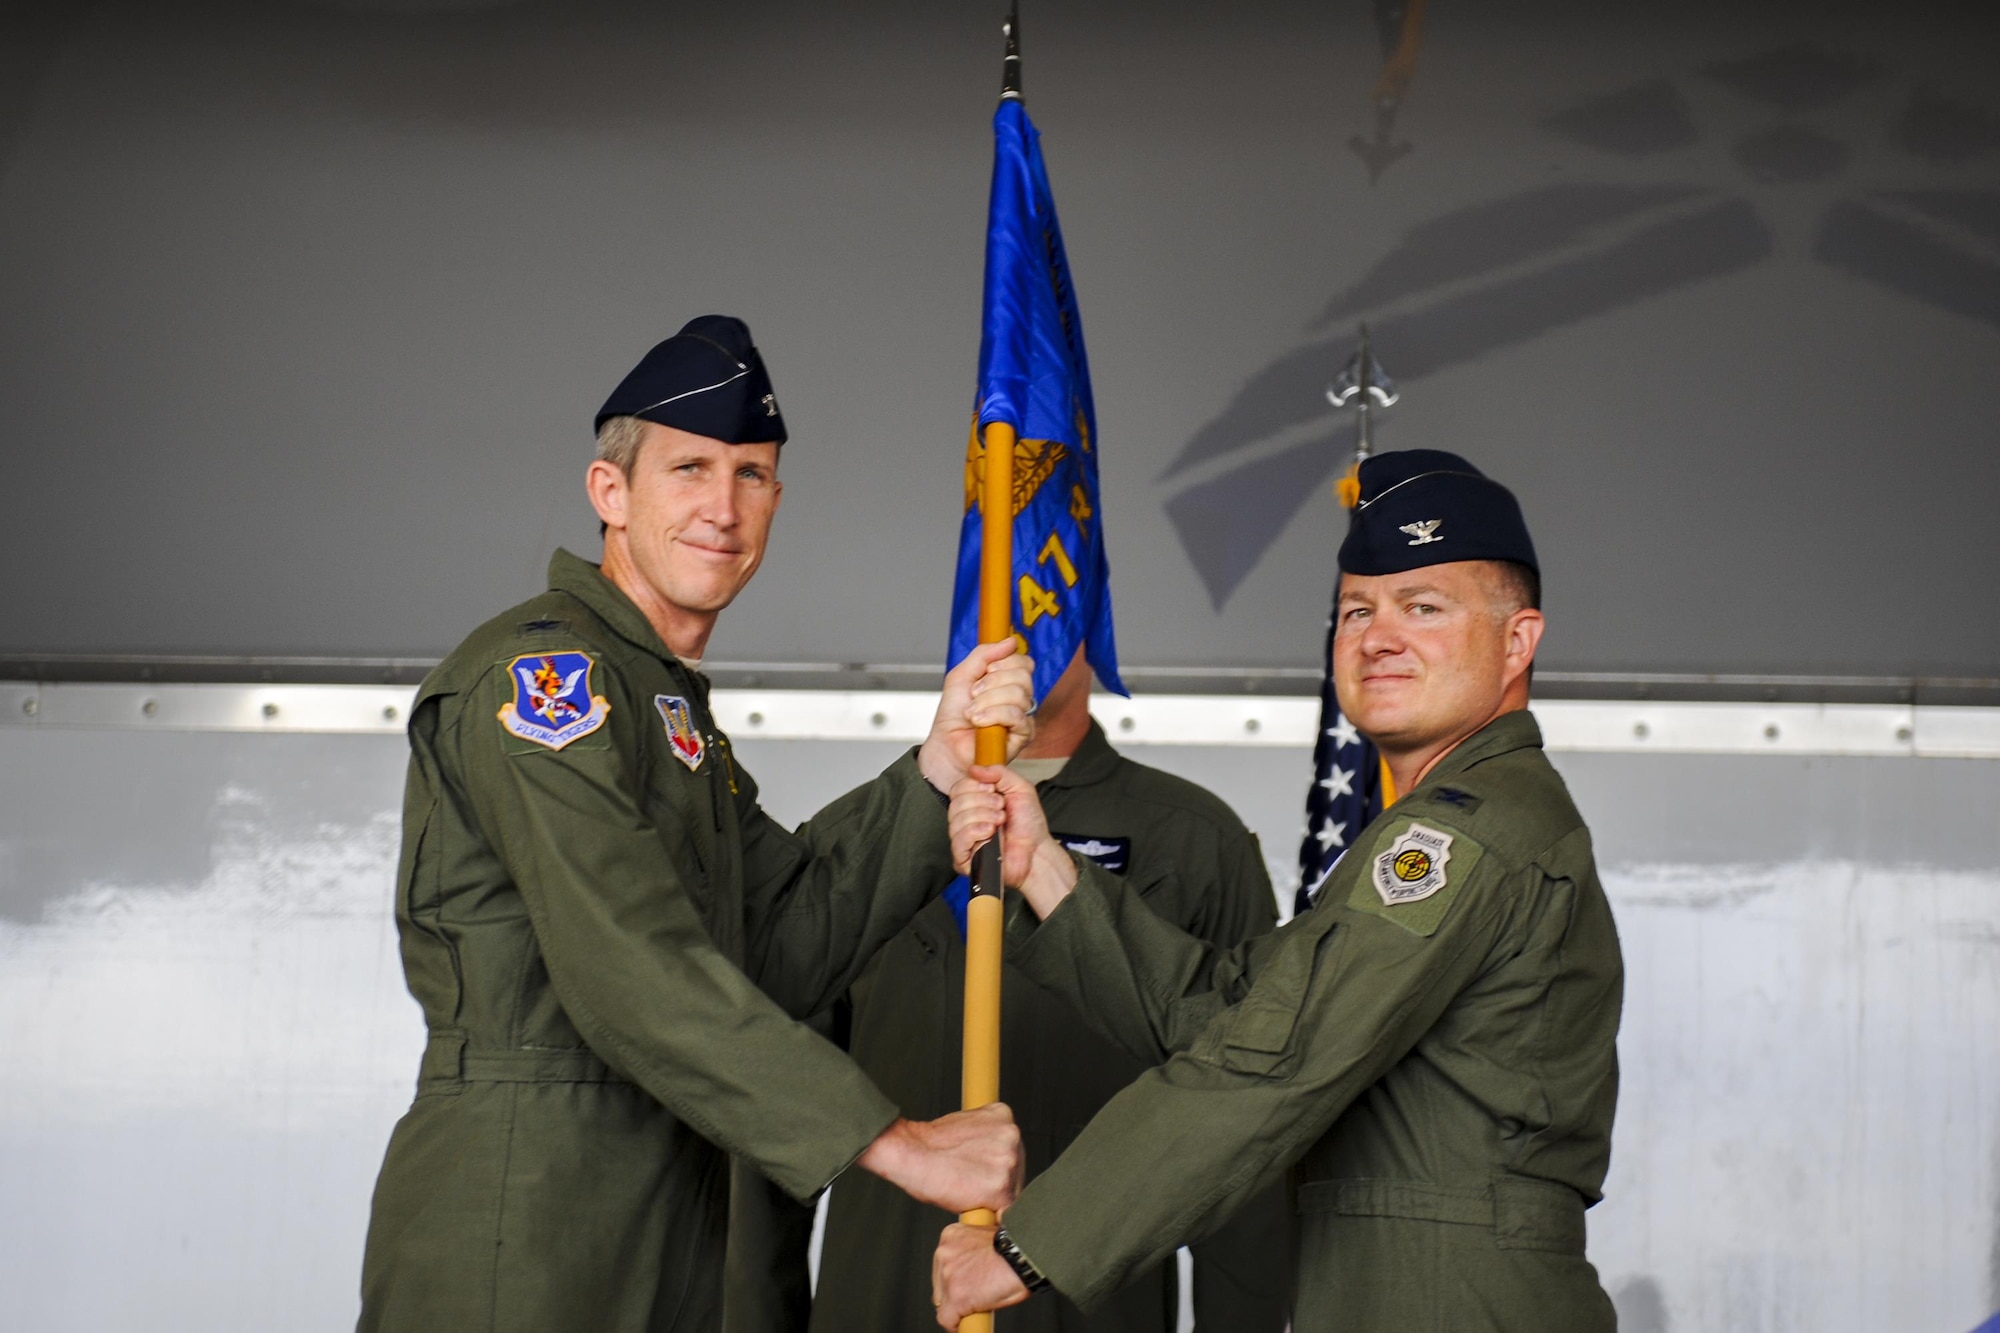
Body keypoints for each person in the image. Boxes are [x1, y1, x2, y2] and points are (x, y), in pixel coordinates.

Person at [357, 315, 1034, 1333]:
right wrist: (896, 1142)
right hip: (530, 1217)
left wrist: (935, 772)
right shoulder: (548, 683)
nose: (722, 507)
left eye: (751, 475)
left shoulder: (665, 708)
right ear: (610, 493)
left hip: (672, 1209)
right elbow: (633, 967)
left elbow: (782, 939)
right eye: (688, 469)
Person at [932, 449, 1624, 1331]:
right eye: (1355, 610)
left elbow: (1277, 1063)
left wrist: (1027, 1245)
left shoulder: (1467, 832)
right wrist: (1045, 871)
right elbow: (1235, 1016)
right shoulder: (1449, 820)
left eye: (1424, 607)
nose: (1378, 636)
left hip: (1452, 1294)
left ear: (1518, 640)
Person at [723, 647, 1294, 1333]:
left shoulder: (1197, 842)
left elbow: (1244, 1140)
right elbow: (769, 1133)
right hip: (879, 1305)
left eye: (1052, 575)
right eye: (1004, 574)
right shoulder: (862, 847)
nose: (1025, 608)